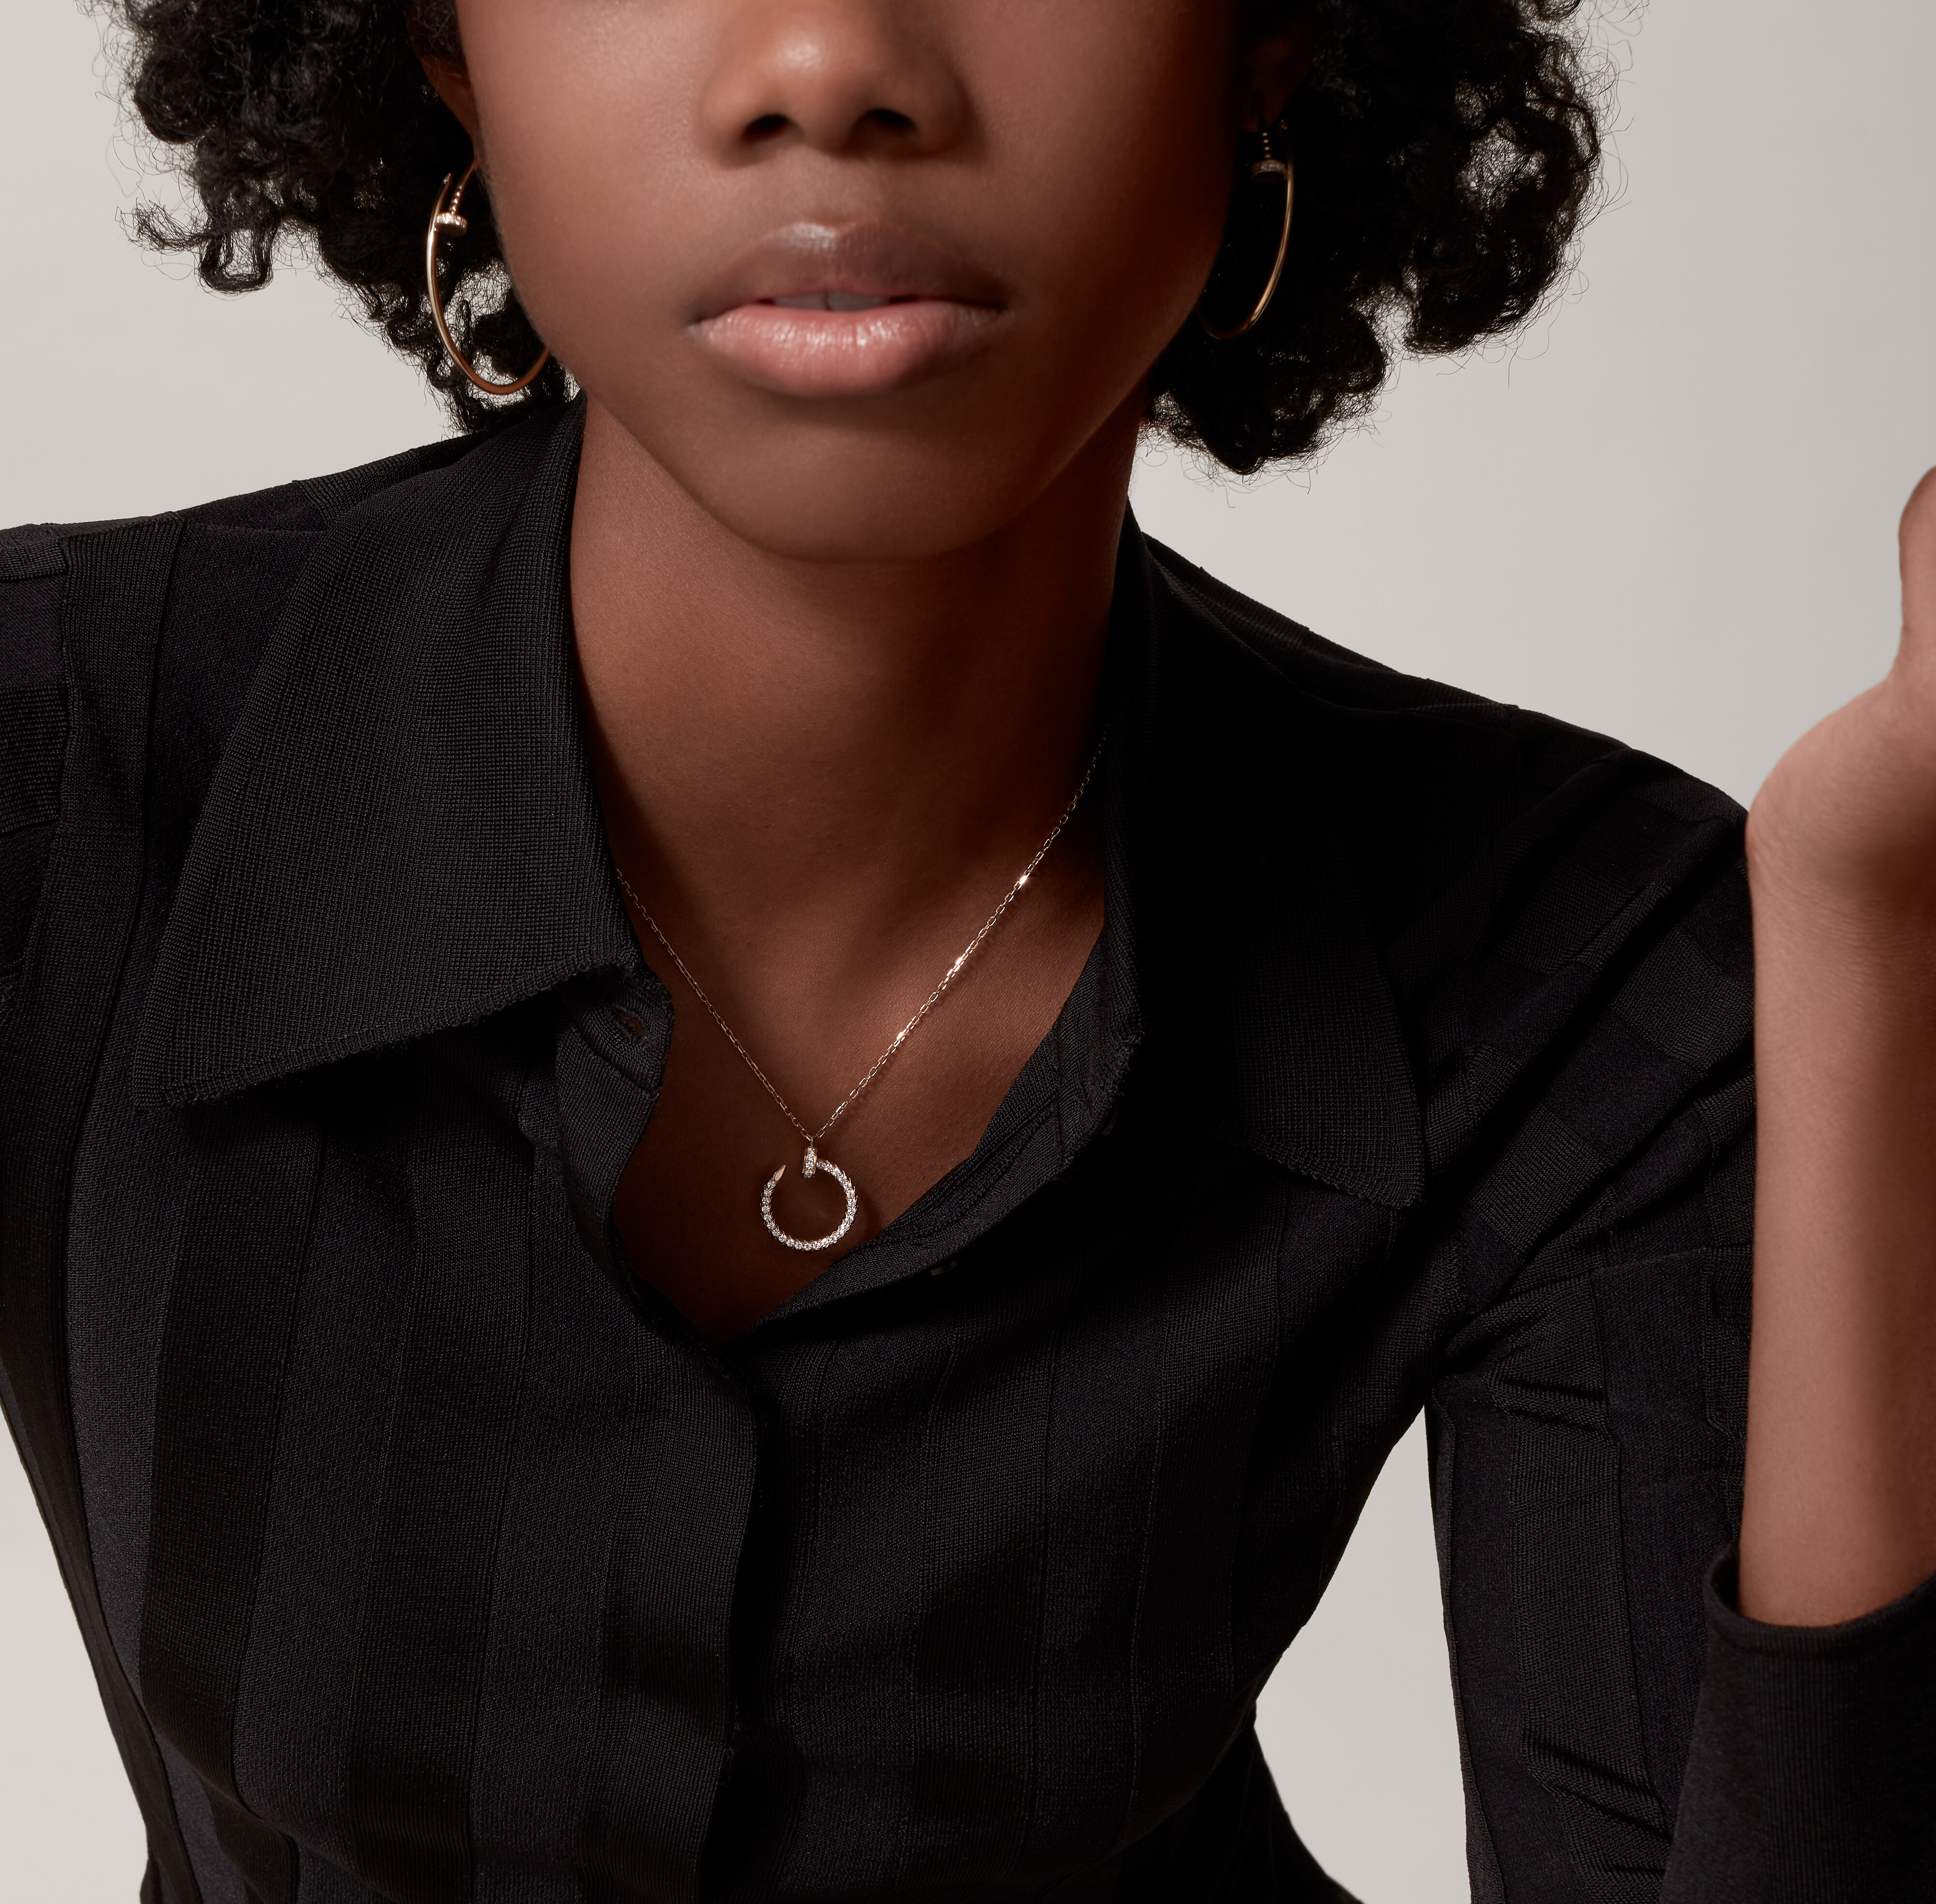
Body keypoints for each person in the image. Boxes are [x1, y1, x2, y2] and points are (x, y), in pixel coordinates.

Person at [1, 0, 1931, 1897]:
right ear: (443, 41)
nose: (829, 64)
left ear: (1265, 35)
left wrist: (1859, 943)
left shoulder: (1577, 960)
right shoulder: (60, 761)